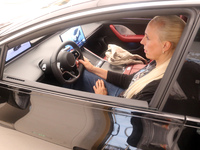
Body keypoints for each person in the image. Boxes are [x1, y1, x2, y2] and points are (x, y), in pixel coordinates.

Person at [72, 15, 186, 102]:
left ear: (165, 45)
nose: (142, 41)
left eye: (148, 37)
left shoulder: (153, 90)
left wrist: (102, 99)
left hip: (121, 104)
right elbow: (129, 80)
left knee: (77, 78)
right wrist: (92, 68)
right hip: (128, 93)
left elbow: (127, 119)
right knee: (85, 73)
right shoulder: (159, 63)